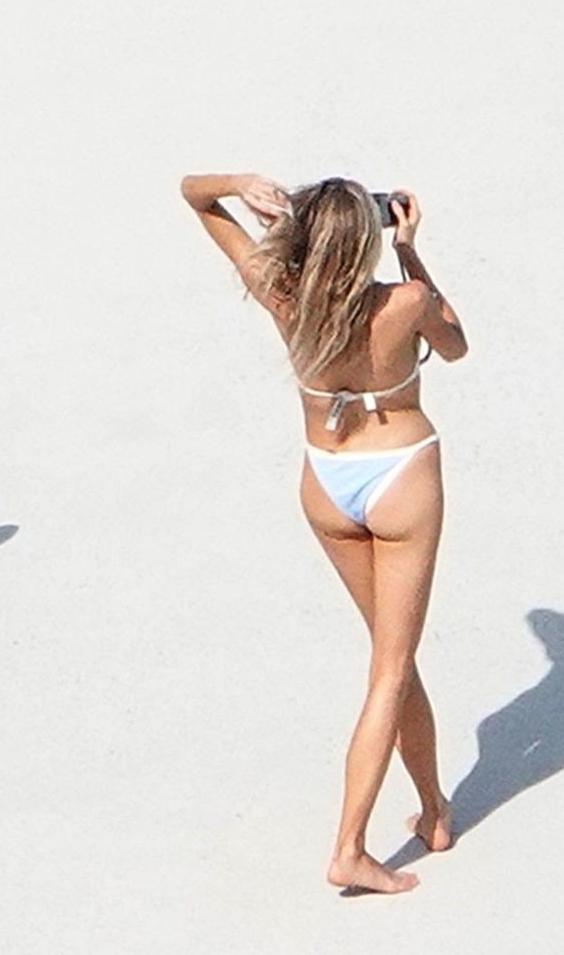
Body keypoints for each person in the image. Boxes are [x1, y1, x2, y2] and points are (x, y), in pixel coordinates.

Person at [181, 173, 468, 894]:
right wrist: (410, 250)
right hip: (400, 475)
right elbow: (456, 345)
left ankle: (434, 811)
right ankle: (350, 848)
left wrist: (241, 184)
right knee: (391, 668)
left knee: (392, 659)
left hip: (327, 482)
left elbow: (194, 196)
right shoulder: (406, 302)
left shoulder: (283, 295)